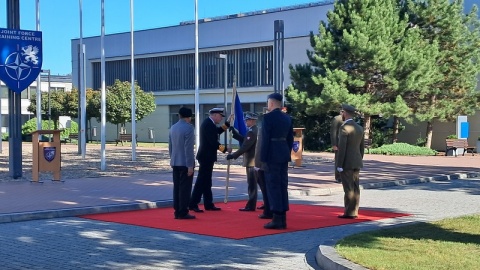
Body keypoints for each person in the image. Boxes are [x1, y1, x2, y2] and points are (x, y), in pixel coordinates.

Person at [260, 93, 294, 229]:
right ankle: (283, 217)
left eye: (268, 103)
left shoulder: (268, 118)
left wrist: (263, 159)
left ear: (272, 103)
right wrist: (286, 152)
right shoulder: (287, 118)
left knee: (273, 186)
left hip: (272, 155)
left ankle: (277, 219)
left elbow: (265, 140)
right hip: (283, 154)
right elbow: (290, 139)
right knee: (282, 185)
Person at [189, 107, 231, 212]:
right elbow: (213, 142)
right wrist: (225, 149)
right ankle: (193, 203)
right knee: (202, 181)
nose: (221, 118)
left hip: (207, 156)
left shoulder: (210, 123)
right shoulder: (208, 124)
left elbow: (217, 132)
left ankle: (208, 203)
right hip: (206, 156)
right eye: (221, 116)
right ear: (215, 115)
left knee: (207, 181)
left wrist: (227, 124)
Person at [336, 104, 365, 219]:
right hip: (356, 161)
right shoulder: (359, 128)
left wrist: (339, 165)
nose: (341, 114)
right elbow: (361, 148)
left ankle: (349, 212)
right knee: (355, 187)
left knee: (348, 188)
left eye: (342, 112)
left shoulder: (344, 128)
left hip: (347, 163)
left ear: (345, 113)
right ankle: (355, 210)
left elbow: (342, 149)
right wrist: (359, 158)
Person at [227, 112, 259, 211]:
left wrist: (233, 155)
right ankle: (266, 203)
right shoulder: (254, 130)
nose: (245, 122)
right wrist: (235, 134)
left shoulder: (252, 131)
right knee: (259, 183)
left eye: (247, 120)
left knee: (252, 184)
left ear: (252, 120)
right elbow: (245, 140)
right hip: (254, 161)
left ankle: (251, 205)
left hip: (251, 161)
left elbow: (245, 146)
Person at [169, 107, 196, 219]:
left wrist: (172, 159)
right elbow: (188, 149)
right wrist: (190, 165)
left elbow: (170, 146)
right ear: (189, 117)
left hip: (175, 161)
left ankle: (177, 210)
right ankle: (183, 211)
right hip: (185, 163)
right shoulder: (189, 128)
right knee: (185, 189)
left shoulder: (173, 127)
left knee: (177, 188)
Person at [254, 124, 272, 219]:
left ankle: (268, 211)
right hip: (276, 162)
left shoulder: (263, 128)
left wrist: (257, 164)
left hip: (263, 164)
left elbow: (259, 148)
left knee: (265, 188)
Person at [330, 112, 344, 183]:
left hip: (346, 143)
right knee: (338, 160)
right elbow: (333, 132)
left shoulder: (349, 118)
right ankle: (338, 177)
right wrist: (334, 144)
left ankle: (345, 176)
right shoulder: (337, 119)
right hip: (339, 143)